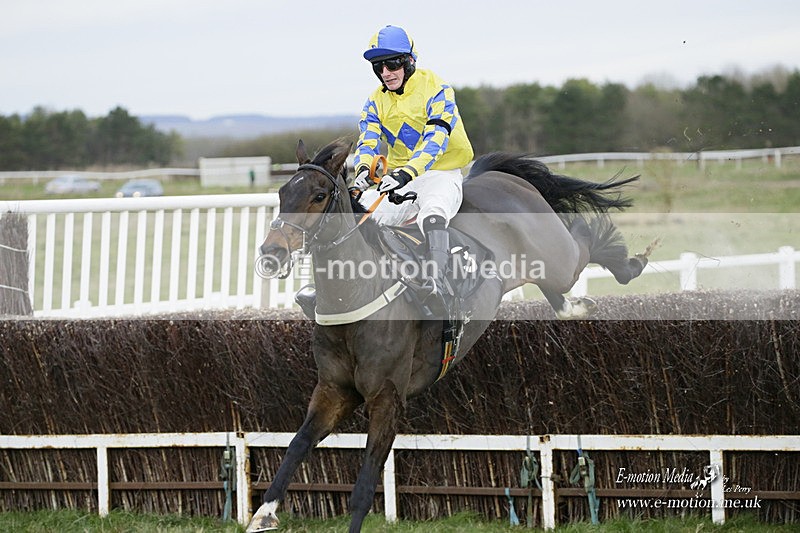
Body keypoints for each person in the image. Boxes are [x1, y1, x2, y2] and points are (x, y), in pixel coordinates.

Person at [352, 25, 474, 313]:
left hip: (441, 172)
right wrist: (361, 171)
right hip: (399, 178)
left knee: (432, 215)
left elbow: (436, 140)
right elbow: (367, 141)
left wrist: (406, 173)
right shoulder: (374, 101)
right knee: (358, 216)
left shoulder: (437, 88)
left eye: (392, 63)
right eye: (378, 66)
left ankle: (437, 285)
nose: (386, 72)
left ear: (409, 61)